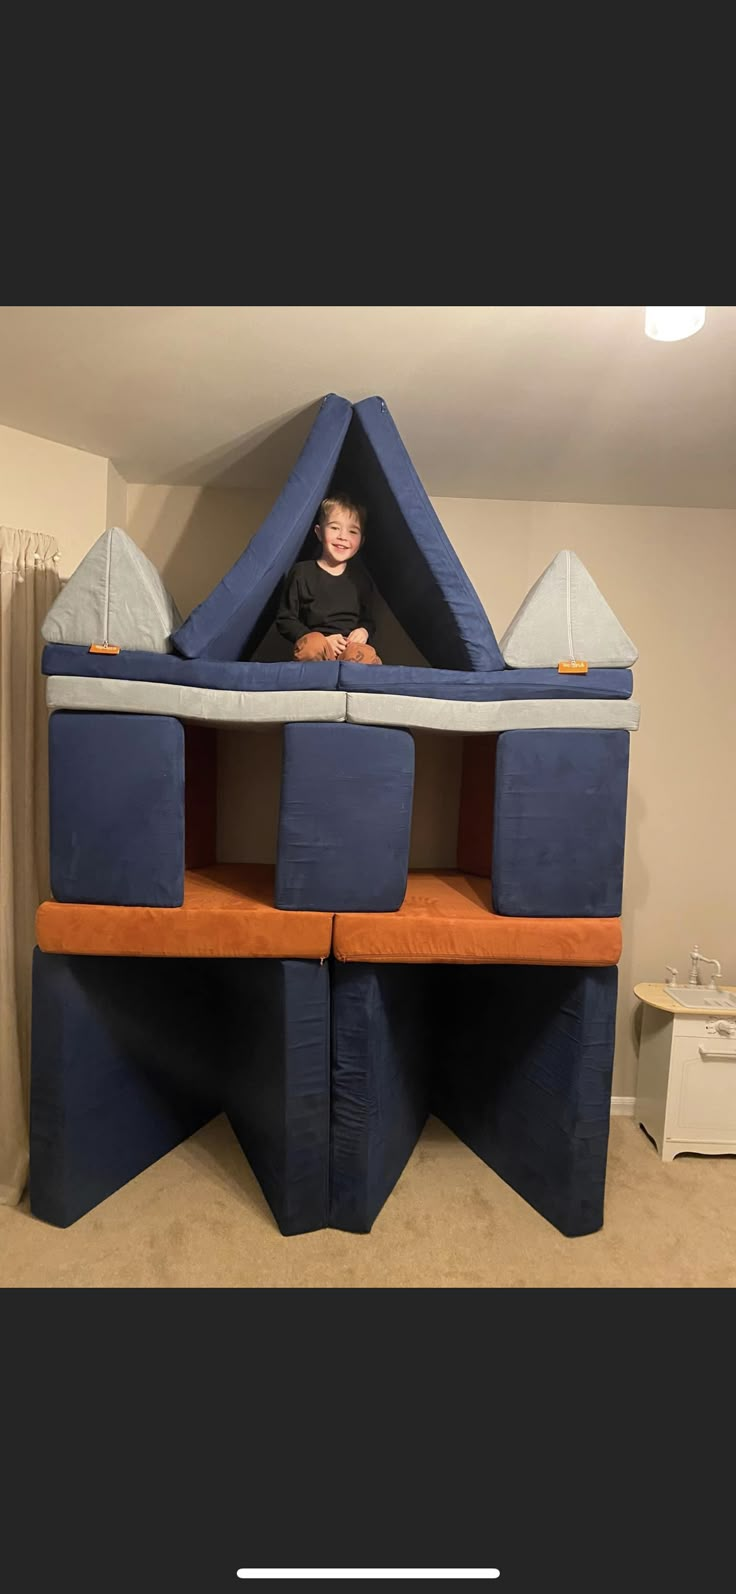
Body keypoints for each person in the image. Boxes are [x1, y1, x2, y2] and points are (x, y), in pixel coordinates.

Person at [276, 493, 382, 664]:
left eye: (352, 531)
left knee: (364, 654)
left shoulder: (361, 580)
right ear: (319, 532)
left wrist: (364, 631)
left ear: (361, 541)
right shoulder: (302, 572)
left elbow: (367, 620)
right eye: (334, 528)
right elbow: (285, 619)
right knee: (312, 645)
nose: (343, 536)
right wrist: (323, 640)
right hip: (317, 645)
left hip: (349, 647)